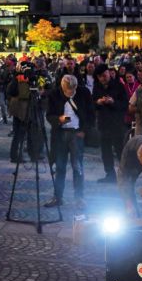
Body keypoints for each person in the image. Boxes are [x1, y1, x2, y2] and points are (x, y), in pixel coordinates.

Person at [44, 75, 94, 208]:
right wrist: (59, 119)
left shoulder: (84, 93)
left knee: (77, 167)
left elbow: (91, 114)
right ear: (62, 87)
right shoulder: (54, 94)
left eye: (72, 91)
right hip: (60, 134)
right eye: (67, 91)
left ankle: (79, 198)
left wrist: (84, 130)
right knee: (60, 167)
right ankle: (58, 197)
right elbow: (49, 115)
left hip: (76, 134)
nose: (70, 93)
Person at [92, 64, 128, 183]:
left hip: (117, 124)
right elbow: (92, 104)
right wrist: (98, 102)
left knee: (119, 151)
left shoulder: (118, 86)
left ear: (109, 73)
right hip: (103, 124)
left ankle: (124, 175)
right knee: (105, 152)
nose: (103, 78)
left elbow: (125, 105)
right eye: (100, 77)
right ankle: (110, 175)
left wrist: (113, 102)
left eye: (104, 75)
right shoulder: (97, 87)